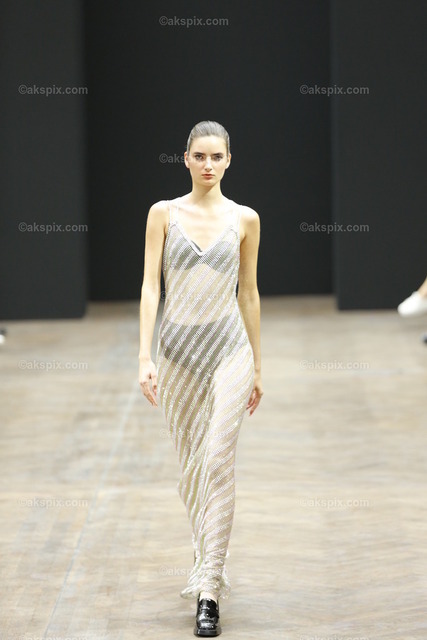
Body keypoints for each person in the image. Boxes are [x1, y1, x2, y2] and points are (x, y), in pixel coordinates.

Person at [138, 120, 263, 636]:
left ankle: (209, 589)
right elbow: (150, 286)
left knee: (217, 461)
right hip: (178, 355)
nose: (208, 165)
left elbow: (249, 292)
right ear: (185, 159)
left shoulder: (245, 219)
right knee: (193, 468)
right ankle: (204, 558)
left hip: (230, 351)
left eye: (217, 156)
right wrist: (144, 356)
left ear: (229, 160)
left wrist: (259, 366)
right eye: (199, 156)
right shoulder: (163, 214)